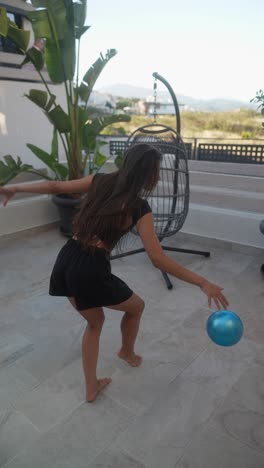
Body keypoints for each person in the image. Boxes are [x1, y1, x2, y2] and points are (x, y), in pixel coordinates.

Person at [0, 143, 229, 402]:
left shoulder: (99, 181)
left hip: (66, 258)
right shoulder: (139, 207)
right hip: (90, 269)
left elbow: (55, 187)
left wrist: (16, 188)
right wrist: (202, 282)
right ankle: (126, 353)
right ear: (150, 174)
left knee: (94, 323)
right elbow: (158, 258)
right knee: (136, 307)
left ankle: (91, 386)